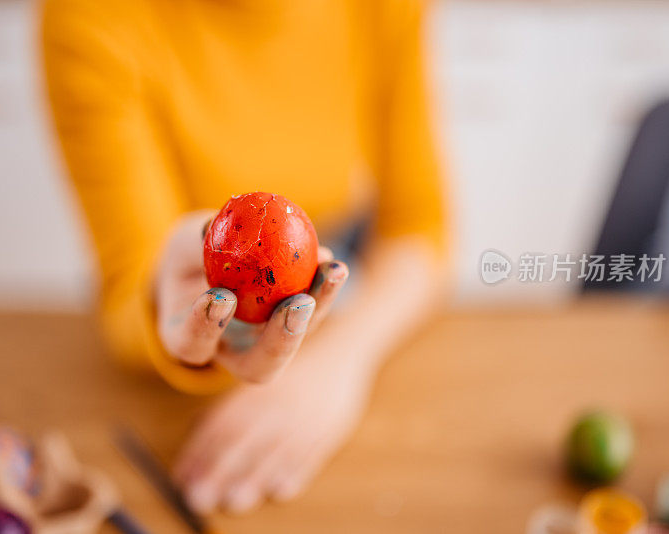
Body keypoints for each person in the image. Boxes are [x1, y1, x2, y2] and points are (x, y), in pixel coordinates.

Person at [41, 0, 449, 515]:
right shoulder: (88, 16)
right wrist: (156, 303)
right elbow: (130, 284)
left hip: (328, 277)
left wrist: (338, 362)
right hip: (185, 291)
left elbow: (419, 224)